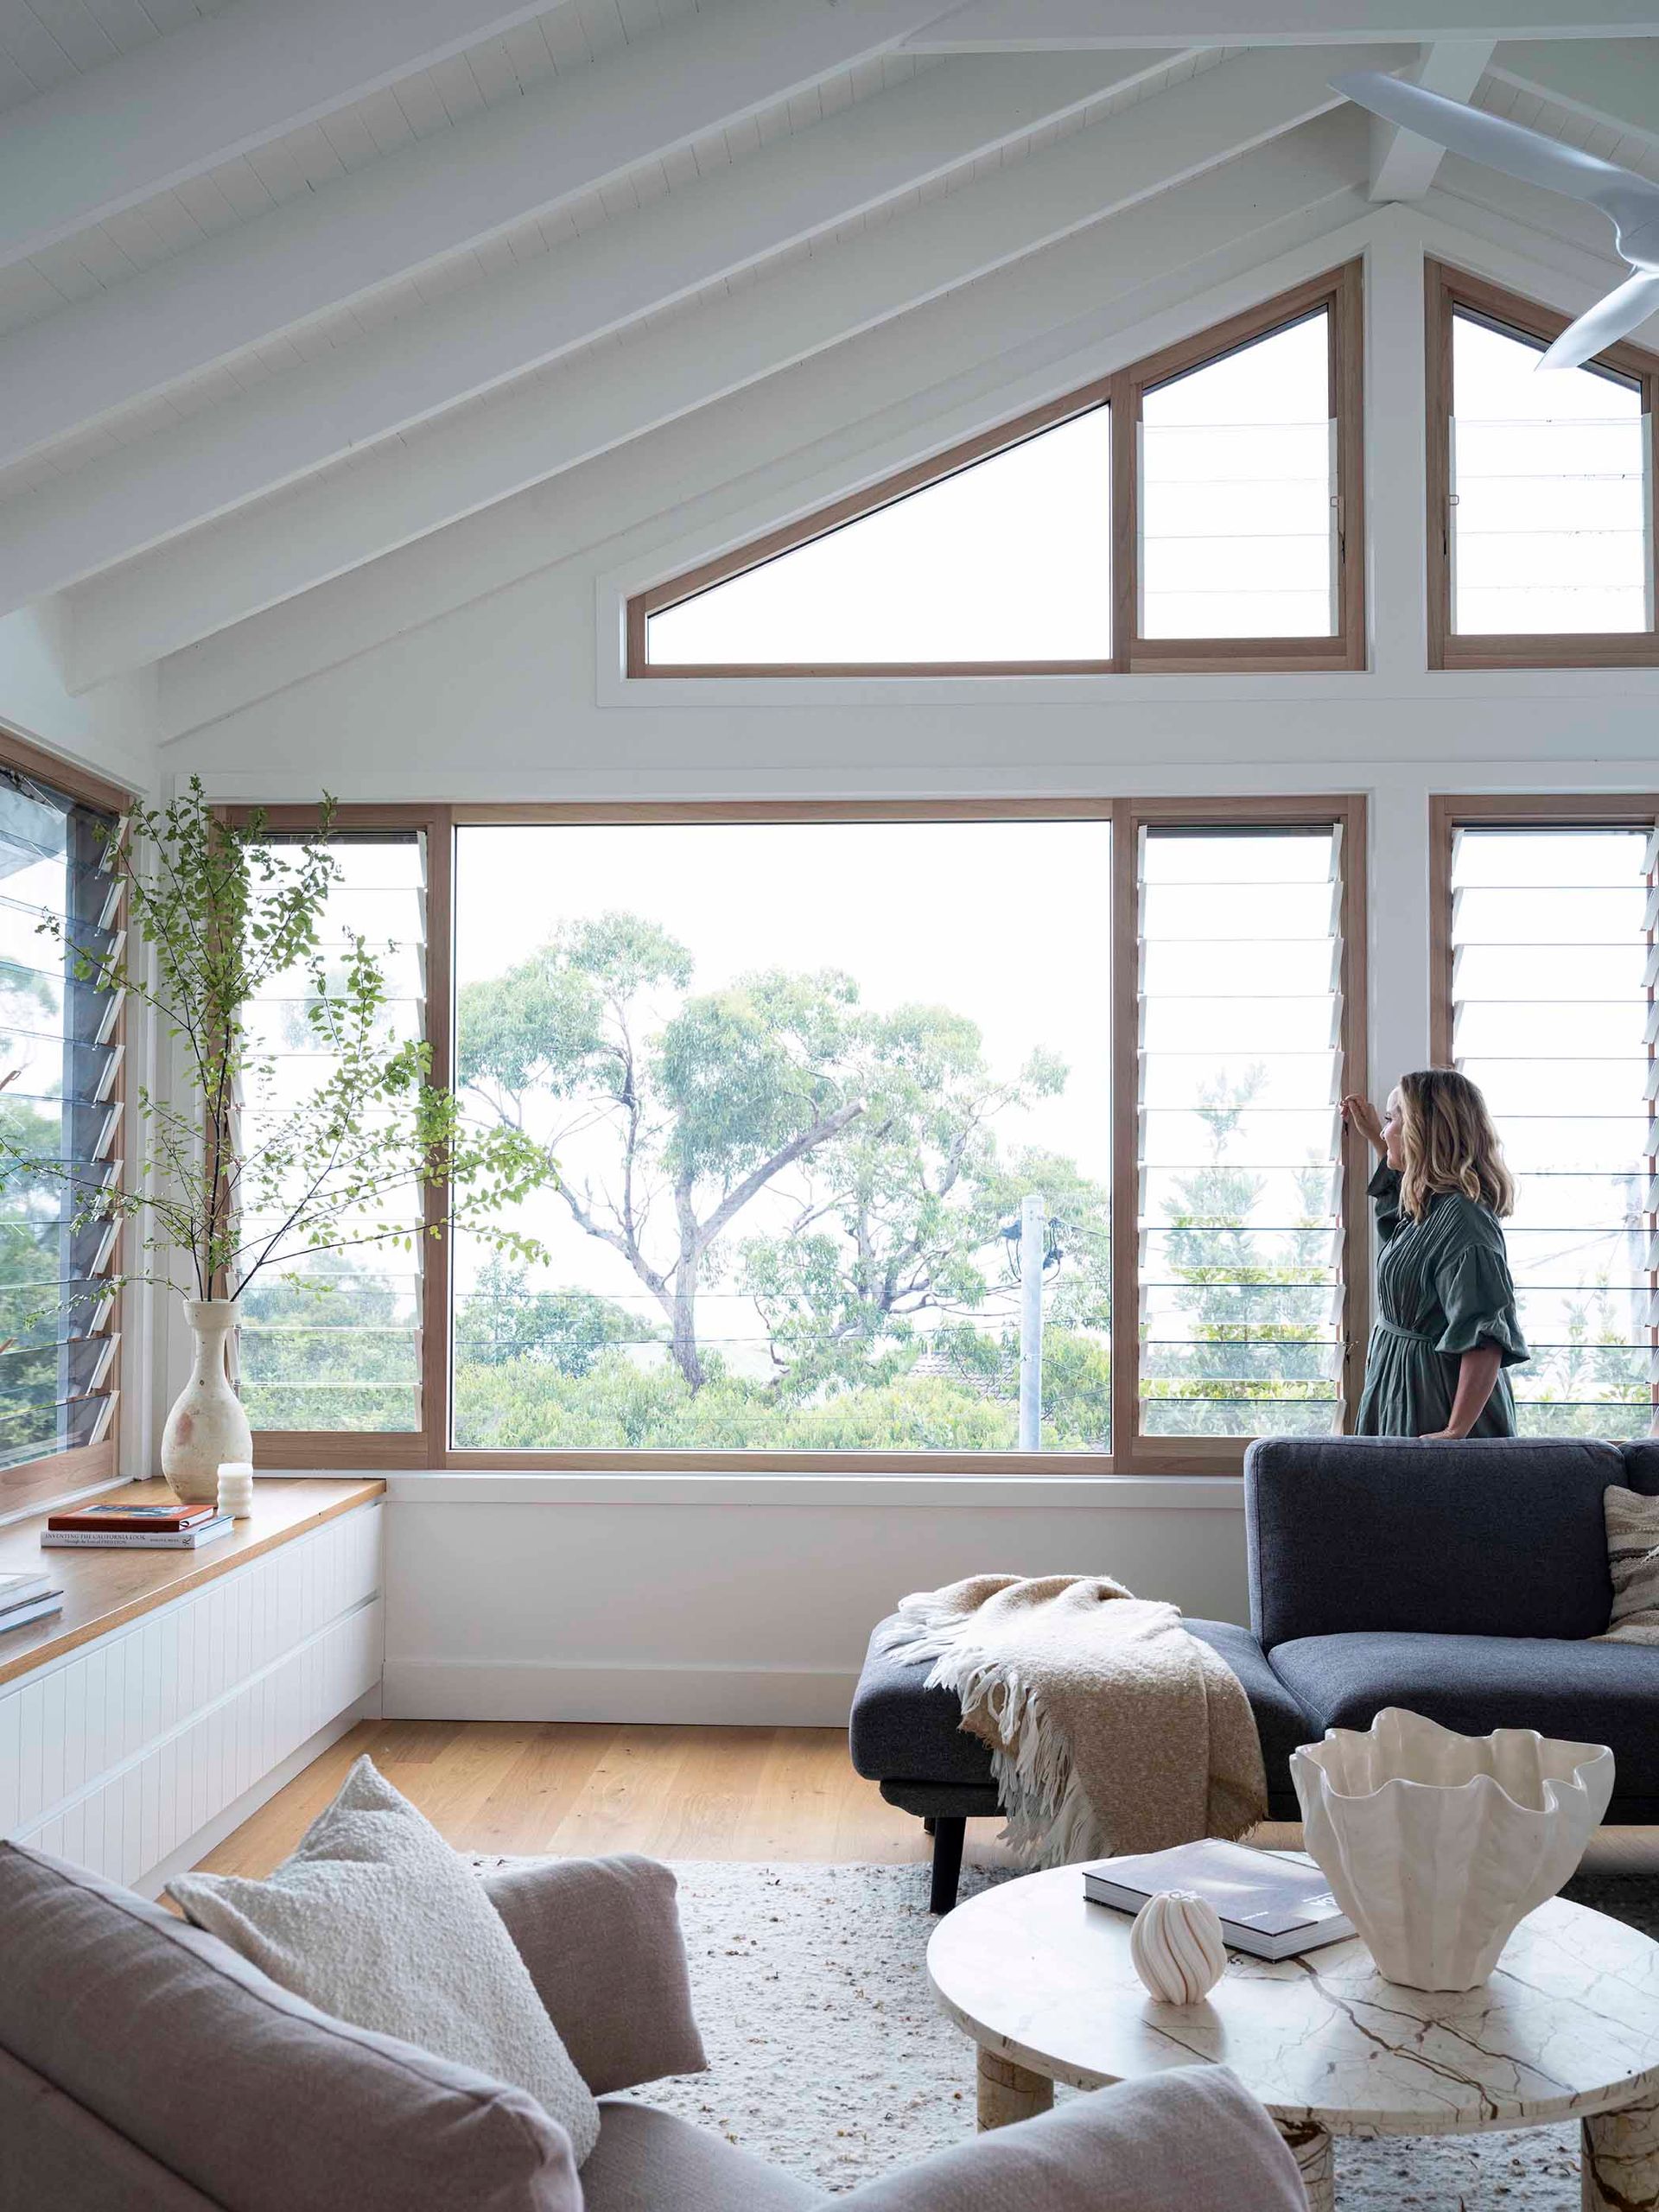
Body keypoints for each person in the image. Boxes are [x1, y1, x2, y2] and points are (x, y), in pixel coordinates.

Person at [1340, 1068, 1528, 1439]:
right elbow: (1404, 1227)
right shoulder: (1432, 1206)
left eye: (1392, 1121)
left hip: (1435, 1400)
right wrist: (1380, 1145)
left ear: (1422, 1133)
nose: (1383, 1129)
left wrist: (1455, 1431)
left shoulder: (1464, 1220)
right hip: (1402, 1386)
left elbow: (1485, 1335)